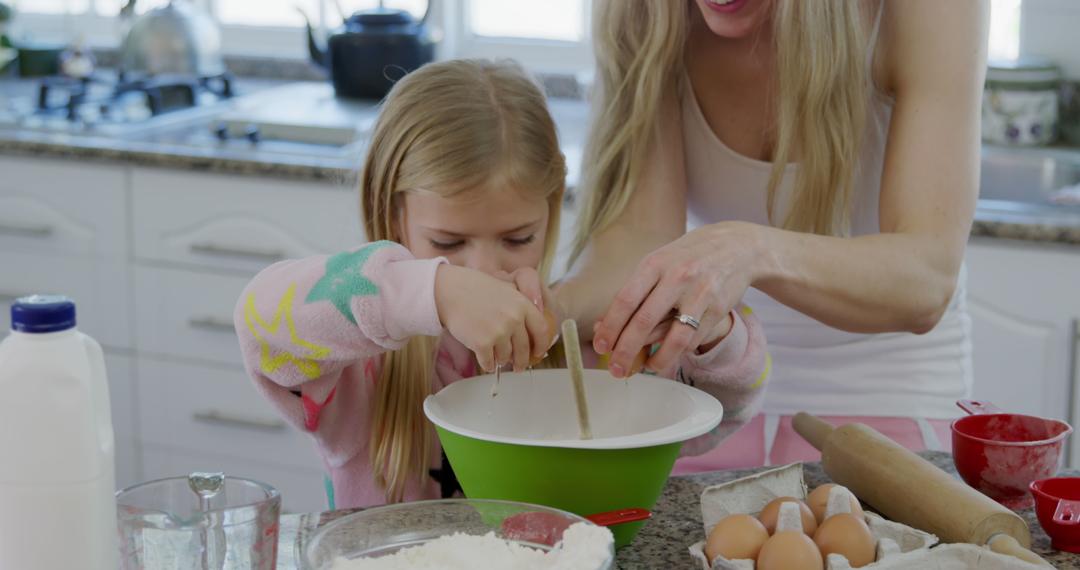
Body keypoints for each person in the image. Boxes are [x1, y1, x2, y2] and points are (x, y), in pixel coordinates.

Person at [233, 59, 768, 507]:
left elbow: (709, 424)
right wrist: (434, 292)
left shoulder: (577, 346)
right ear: (394, 217)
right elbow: (261, 320)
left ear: (551, 208)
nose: (484, 272)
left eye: (517, 239)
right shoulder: (360, 368)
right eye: (448, 243)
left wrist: (715, 337)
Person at [557, 0, 988, 471]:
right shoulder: (648, 13)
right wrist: (545, 311)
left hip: (888, 392)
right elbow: (637, 247)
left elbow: (925, 280)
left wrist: (752, 249)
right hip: (718, 391)